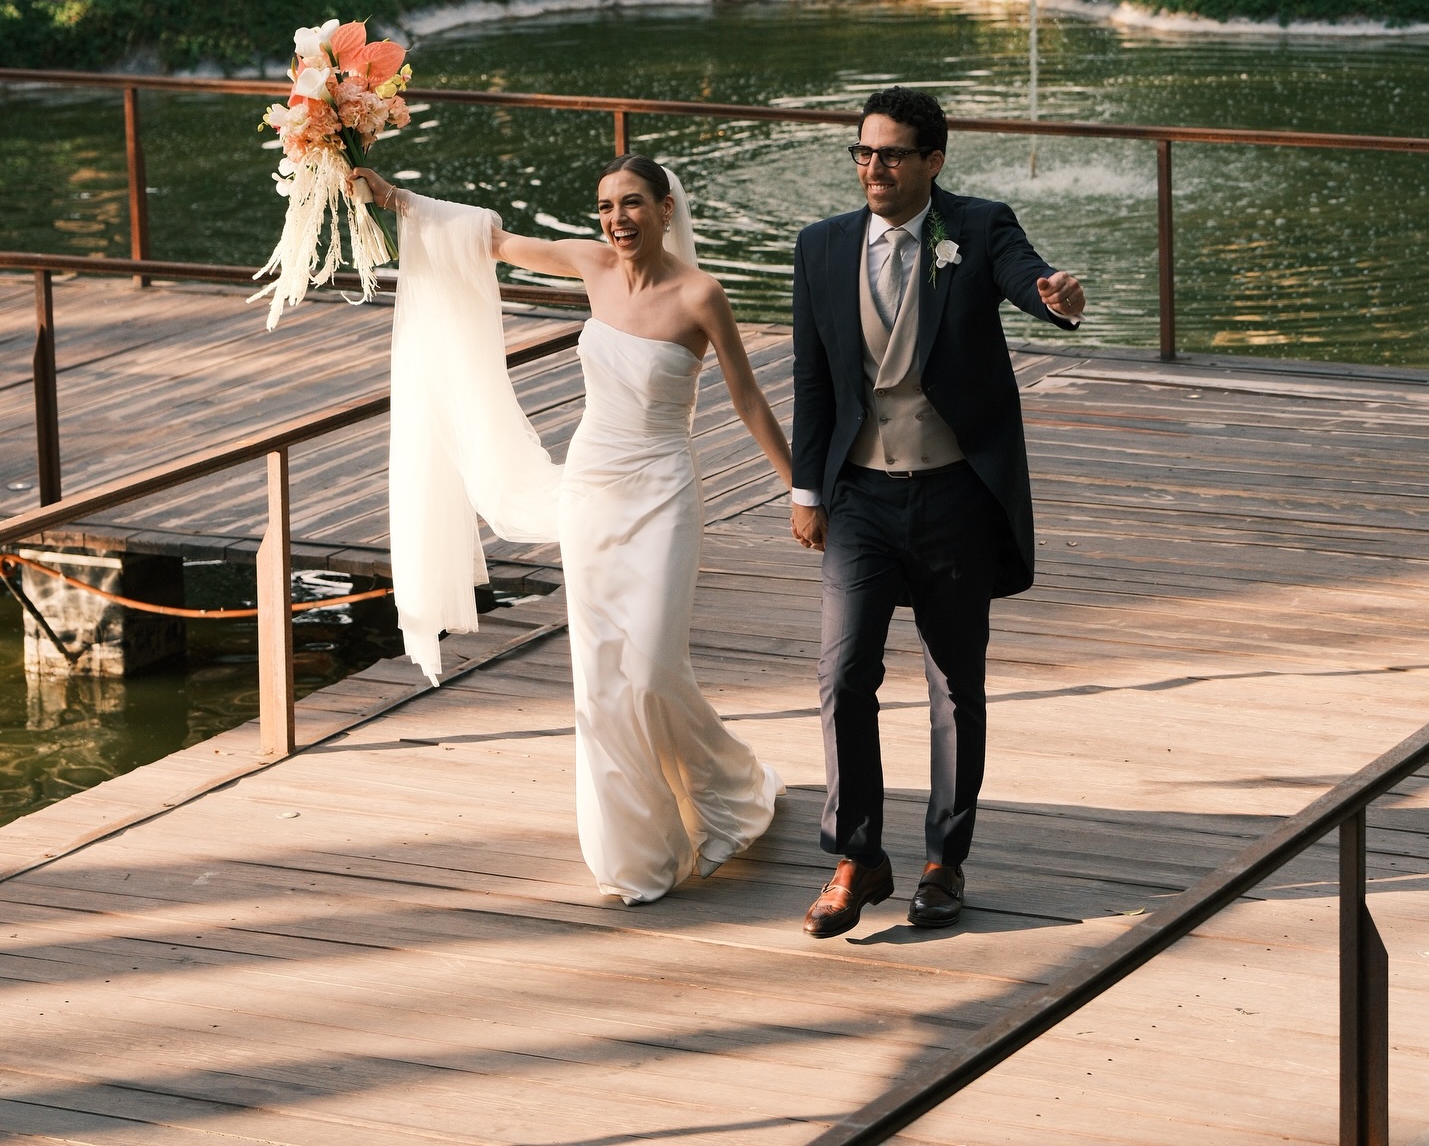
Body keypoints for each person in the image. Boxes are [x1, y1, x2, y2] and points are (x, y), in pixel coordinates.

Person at [349, 155, 789, 906]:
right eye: (605, 206)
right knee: (602, 679)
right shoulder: (590, 264)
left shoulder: (701, 294)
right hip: (590, 490)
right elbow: (489, 239)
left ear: (664, 209)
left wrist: (799, 486)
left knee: (651, 669)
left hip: (663, 493)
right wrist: (394, 198)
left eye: (632, 204)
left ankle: (733, 792)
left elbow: (747, 397)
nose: (617, 219)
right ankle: (640, 852)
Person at [788, 86, 1087, 937]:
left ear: (932, 161)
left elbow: (1026, 275)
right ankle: (857, 853)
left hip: (955, 492)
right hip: (859, 499)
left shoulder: (979, 227)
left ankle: (943, 862)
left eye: (890, 155)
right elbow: (814, 380)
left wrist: (1054, 296)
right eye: (862, 153)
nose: (872, 169)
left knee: (957, 685)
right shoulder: (820, 247)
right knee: (843, 676)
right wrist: (808, 491)